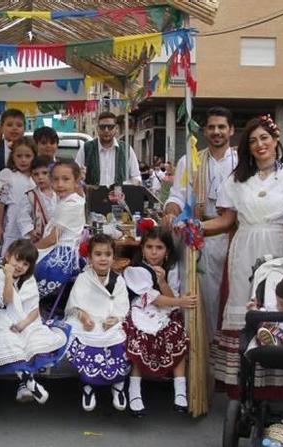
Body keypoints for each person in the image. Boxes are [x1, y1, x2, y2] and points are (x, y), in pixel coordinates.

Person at [201, 115, 283, 401]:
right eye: (253, 140)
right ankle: (244, 387)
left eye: (264, 138)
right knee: (245, 314)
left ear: (276, 141)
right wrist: (195, 227)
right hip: (244, 248)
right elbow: (225, 220)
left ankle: (278, 389)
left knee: (277, 309)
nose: (259, 144)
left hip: (278, 250)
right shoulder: (237, 179)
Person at [164, 107, 237, 341]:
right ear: (204, 131)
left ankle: (225, 354)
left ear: (231, 130)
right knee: (201, 296)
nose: (217, 132)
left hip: (232, 236)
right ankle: (201, 356)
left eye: (221, 127)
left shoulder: (242, 161)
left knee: (229, 295)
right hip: (198, 239)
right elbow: (177, 196)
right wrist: (171, 213)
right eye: (212, 127)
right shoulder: (190, 160)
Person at [122, 226, 197, 416]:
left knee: (177, 333)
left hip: (164, 311)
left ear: (167, 251)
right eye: (149, 247)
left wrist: (163, 282)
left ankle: (180, 390)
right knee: (140, 338)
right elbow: (152, 298)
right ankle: (134, 391)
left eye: (159, 247)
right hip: (141, 311)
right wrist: (181, 302)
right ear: (143, 249)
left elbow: (169, 299)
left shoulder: (170, 270)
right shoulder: (135, 270)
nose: (154, 252)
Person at [0, 239, 67, 404]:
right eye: (17, 260)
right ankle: (29, 383)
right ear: (7, 256)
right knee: (8, 338)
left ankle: (25, 384)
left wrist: (24, 324)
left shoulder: (28, 280)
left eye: (25, 264)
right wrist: (8, 276)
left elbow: (34, 309)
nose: (20, 266)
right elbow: (6, 301)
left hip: (24, 319)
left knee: (32, 341)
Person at [65, 234, 131, 412]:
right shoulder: (84, 278)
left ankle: (118, 385)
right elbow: (74, 305)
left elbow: (123, 306)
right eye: (98, 254)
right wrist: (83, 317)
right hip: (87, 320)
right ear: (90, 257)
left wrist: (115, 318)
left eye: (107, 254)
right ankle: (88, 386)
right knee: (80, 336)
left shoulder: (118, 280)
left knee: (118, 337)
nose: (103, 258)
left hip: (109, 320)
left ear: (113, 257)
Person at [34, 161, 85, 298]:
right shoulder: (69, 199)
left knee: (16, 263)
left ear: (76, 181)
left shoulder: (70, 204)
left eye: (66, 179)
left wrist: (30, 249)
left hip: (59, 256)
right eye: (55, 179)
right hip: (60, 251)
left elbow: (52, 239)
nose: (60, 184)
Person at [75, 111, 142, 186]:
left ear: (116, 128)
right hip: (92, 196)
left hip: (119, 195)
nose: (106, 130)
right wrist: (80, 177)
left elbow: (136, 176)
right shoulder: (86, 148)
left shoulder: (126, 149)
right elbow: (75, 176)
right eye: (102, 127)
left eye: (110, 127)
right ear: (97, 128)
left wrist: (131, 183)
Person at [0, 137, 36, 254]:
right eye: (19, 156)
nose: (23, 160)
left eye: (28, 156)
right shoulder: (8, 175)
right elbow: (0, 203)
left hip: (32, 229)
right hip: (12, 227)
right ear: (12, 157)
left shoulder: (37, 178)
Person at [19, 156, 56, 243]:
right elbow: (22, 217)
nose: (40, 177)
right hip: (40, 238)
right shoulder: (30, 196)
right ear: (31, 175)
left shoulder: (59, 193)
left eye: (44, 173)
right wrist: (31, 231)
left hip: (59, 236)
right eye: (36, 174)